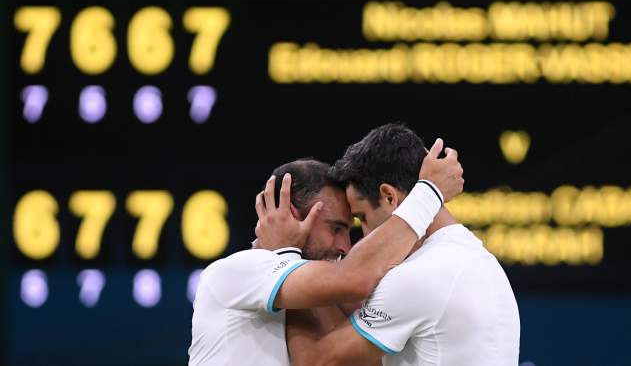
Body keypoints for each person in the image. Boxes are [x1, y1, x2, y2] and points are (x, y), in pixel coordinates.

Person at [188, 137, 464, 366]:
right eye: (336, 228)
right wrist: (428, 193)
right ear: (291, 214)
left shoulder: (328, 298)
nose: (346, 246)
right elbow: (355, 278)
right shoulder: (237, 271)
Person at [286, 123, 521, 366]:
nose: (364, 236)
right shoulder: (475, 258)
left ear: (389, 197)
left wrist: (290, 258)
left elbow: (315, 362)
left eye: (363, 217)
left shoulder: (419, 275)